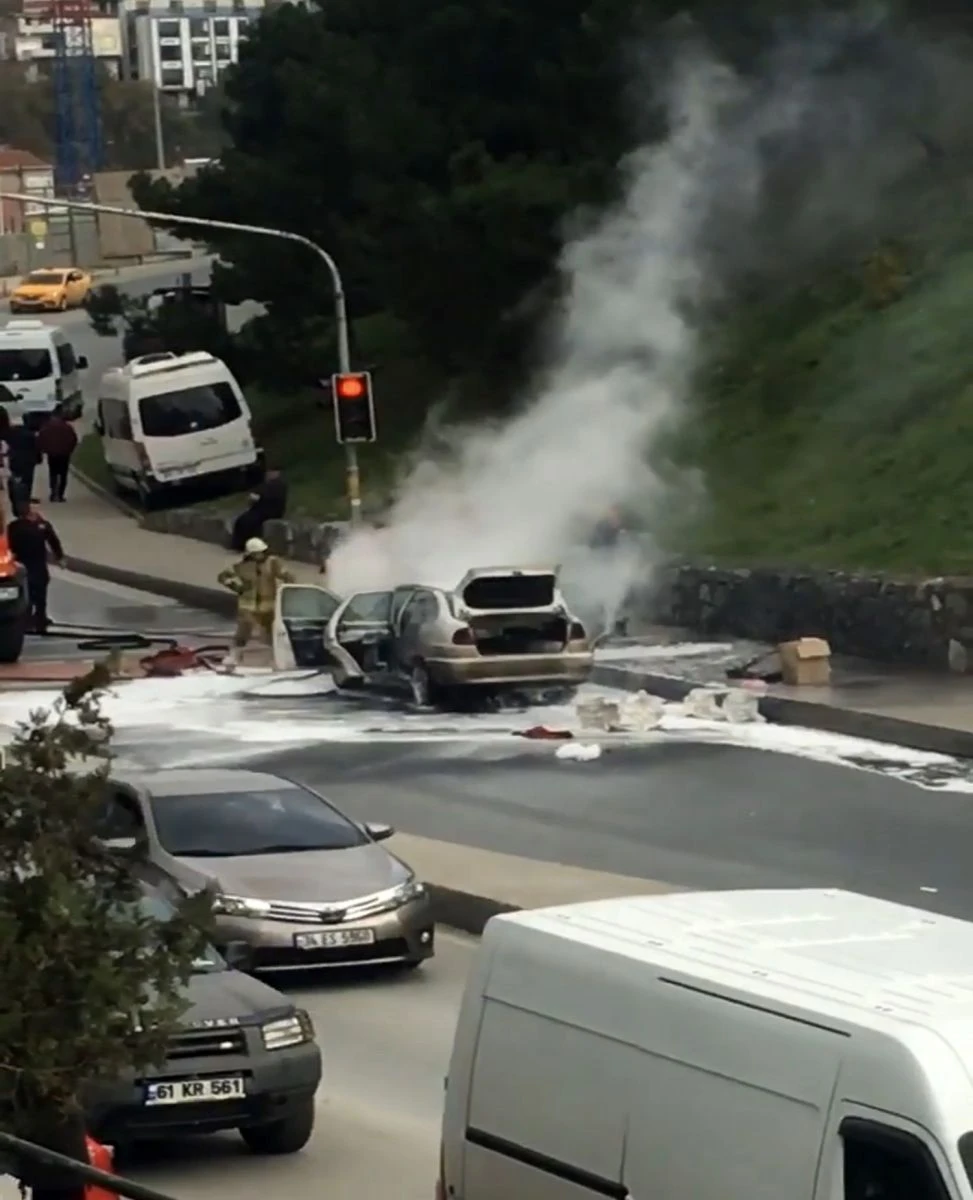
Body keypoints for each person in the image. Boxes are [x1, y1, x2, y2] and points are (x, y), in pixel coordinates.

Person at [217, 536, 294, 670]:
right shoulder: (241, 565)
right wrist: (237, 587)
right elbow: (223, 577)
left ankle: (277, 659)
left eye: (261, 552)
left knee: (273, 635)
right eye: (257, 553)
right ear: (251, 554)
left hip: (268, 606)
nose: (260, 555)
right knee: (242, 633)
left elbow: (288, 577)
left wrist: (289, 590)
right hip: (248, 606)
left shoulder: (272, 562)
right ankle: (233, 657)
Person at [7, 497, 65, 633]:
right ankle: (30, 618)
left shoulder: (42, 525)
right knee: (31, 593)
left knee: (38, 593)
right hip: (25, 563)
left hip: (35, 564)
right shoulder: (18, 527)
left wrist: (60, 557)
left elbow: (53, 540)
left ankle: (39, 617)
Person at [230, 467, 289, 552]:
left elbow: (268, 497)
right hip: (261, 509)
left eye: (271, 472)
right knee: (242, 520)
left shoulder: (279, 485)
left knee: (247, 521)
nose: (268, 474)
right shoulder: (266, 484)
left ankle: (242, 545)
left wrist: (257, 498)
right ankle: (239, 545)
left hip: (270, 510)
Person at [37, 404, 79, 502]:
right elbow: (73, 439)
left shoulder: (47, 426)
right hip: (64, 454)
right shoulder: (67, 427)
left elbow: (41, 439)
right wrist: (69, 449)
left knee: (53, 473)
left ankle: (53, 493)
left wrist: (44, 450)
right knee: (63, 474)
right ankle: (60, 494)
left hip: (52, 454)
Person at [6, 418, 41, 510]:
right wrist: (38, 458)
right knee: (28, 480)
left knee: (16, 477)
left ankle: (16, 496)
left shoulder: (11, 435)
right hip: (29, 460)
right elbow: (37, 447)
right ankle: (26, 497)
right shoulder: (31, 435)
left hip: (15, 459)